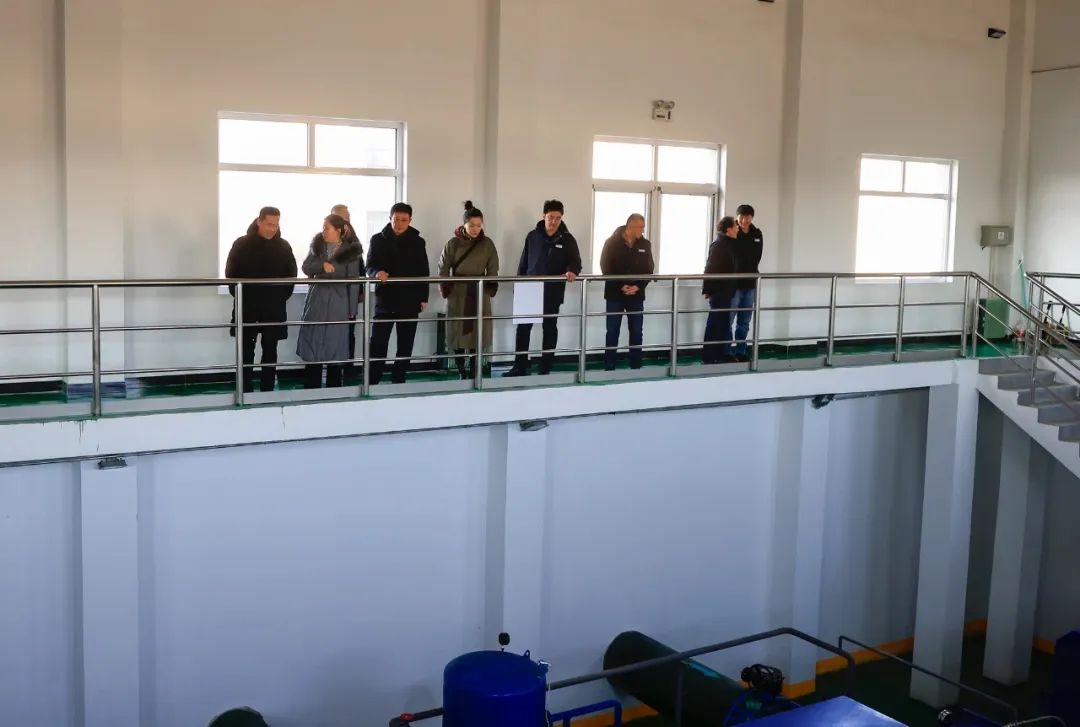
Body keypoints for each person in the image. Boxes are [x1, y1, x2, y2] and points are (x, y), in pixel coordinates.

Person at [503, 199, 582, 377]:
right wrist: (519, 286)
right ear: (543, 216)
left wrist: (572, 271)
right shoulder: (533, 236)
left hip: (553, 290)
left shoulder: (567, 239)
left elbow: (575, 262)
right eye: (551, 217)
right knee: (523, 328)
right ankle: (520, 366)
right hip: (530, 289)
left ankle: (545, 367)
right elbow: (524, 263)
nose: (554, 221)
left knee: (550, 327)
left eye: (558, 218)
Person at [225, 206, 297, 393]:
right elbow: (231, 275)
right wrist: (243, 298)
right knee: (246, 351)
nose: (272, 229)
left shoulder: (284, 246)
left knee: (270, 350)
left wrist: (279, 298)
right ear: (259, 221)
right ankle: (244, 390)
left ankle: (268, 389)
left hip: (273, 308)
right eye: (269, 224)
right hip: (247, 306)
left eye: (276, 225)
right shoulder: (241, 244)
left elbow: (291, 277)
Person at [297, 213, 364, 388]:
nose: (323, 231)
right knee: (313, 342)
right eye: (323, 228)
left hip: (338, 302)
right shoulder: (317, 246)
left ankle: (334, 388)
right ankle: (311, 388)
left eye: (327, 228)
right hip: (316, 300)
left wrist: (352, 310)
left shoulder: (351, 251)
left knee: (335, 345)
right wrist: (321, 266)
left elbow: (354, 281)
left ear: (338, 230)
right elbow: (306, 267)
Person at [366, 202, 430, 384]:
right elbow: (369, 265)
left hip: (410, 298)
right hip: (385, 298)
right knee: (378, 342)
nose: (399, 223)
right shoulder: (377, 239)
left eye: (404, 220)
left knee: (406, 342)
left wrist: (423, 298)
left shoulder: (418, 242)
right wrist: (377, 272)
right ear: (390, 218)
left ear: (410, 220)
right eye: (396, 219)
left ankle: (399, 378)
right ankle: (373, 379)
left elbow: (423, 271)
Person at [438, 201, 499, 380]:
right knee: (456, 332)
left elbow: (493, 267)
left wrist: (490, 286)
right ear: (464, 224)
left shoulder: (487, 244)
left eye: (479, 225)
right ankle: (460, 369)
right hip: (458, 292)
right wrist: (446, 287)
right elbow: (443, 268)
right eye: (472, 225)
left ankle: (474, 369)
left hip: (479, 292)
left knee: (477, 331)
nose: (475, 229)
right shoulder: (453, 244)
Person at [599, 214, 654, 370]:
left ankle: (636, 365)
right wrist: (621, 285)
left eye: (643, 227)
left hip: (637, 295)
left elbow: (649, 269)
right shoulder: (611, 242)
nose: (642, 230)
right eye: (640, 227)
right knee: (612, 330)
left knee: (636, 331)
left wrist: (638, 286)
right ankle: (609, 365)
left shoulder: (645, 244)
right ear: (630, 227)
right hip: (615, 294)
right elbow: (605, 267)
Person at [330, 204, 364, 369]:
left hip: (349, 295)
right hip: (330, 296)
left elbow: (360, 269)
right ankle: (330, 369)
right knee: (328, 333)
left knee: (349, 332)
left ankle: (348, 368)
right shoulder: (324, 238)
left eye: (348, 217)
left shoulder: (353, 239)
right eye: (343, 217)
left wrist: (360, 291)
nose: (346, 221)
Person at [702, 216, 740, 364]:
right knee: (715, 324)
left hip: (726, 291)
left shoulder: (729, 244)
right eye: (735, 226)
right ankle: (710, 356)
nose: (737, 229)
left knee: (722, 324)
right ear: (729, 229)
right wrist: (708, 290)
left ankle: (718, 355)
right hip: (719, 291)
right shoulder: (719, 245)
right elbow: (710, 268)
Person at [732, 203, 764, 362]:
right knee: (728, 318)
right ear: (737, 217)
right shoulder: (731, 232)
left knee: (744, 321)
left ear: (752, 217)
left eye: (748, 217)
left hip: (750, 283)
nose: (745, 220)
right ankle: (725, 352)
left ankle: (740, 351)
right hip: (733, 284)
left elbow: (757, 256)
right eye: (742, 217)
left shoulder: (757, 234)